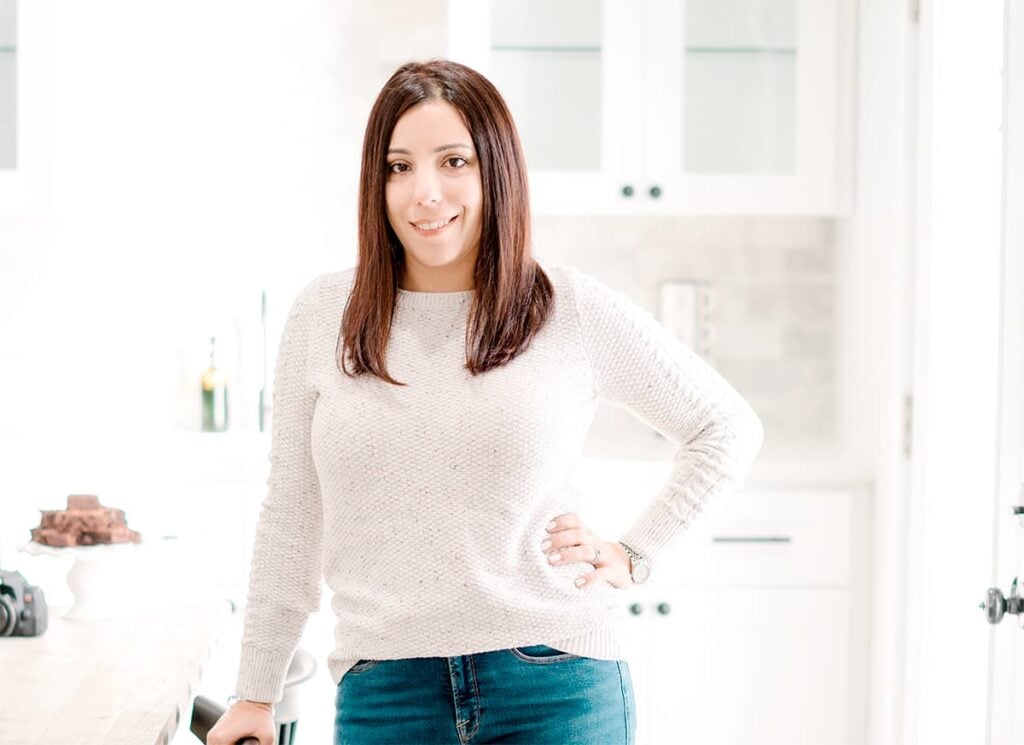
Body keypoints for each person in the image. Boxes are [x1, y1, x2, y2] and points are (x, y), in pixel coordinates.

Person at [208, 59, 764, 745]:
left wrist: (634, 550)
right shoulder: (325, 313)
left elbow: (725, 426)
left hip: (556, 684)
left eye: (453, 161)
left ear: (494, 170)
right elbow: (291, 514)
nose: (426, 192)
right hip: (386, 694)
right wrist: (255, 694)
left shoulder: (568, 308)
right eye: (399, 166)